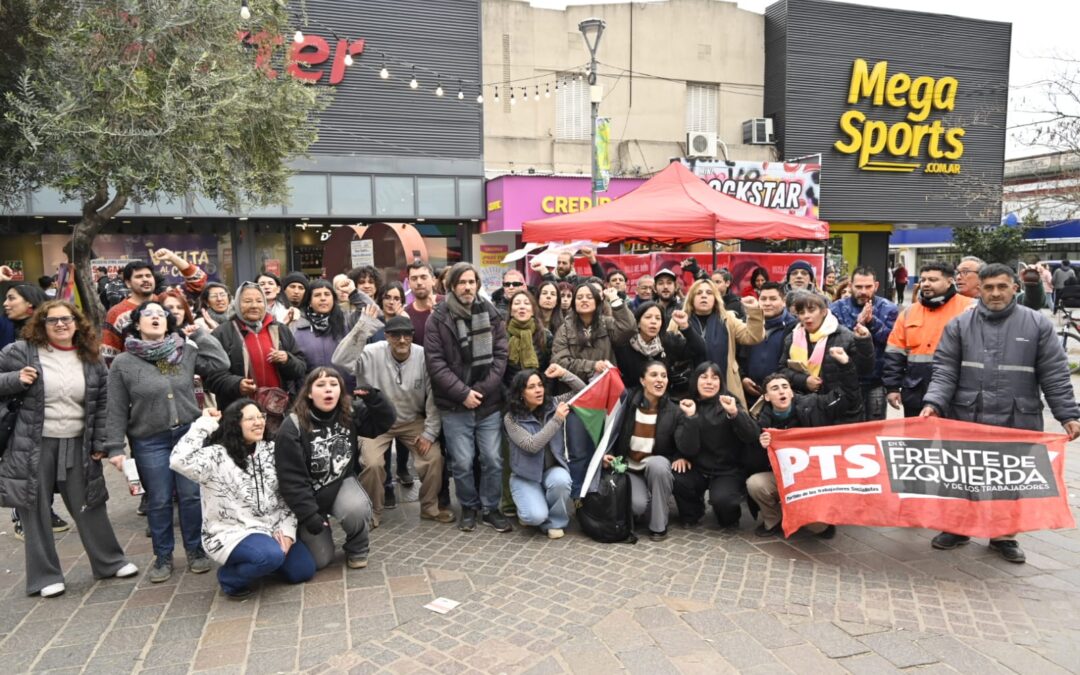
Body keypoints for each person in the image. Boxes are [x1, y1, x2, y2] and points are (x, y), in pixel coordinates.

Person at [921, 263, 1080, 563]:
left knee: (1009, 480)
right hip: (967, 417)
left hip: (1017, 418)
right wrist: (933, 403)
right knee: (963, 475)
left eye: (1002, 287)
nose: (995, 293)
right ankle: (958, 528)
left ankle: (1003, 536)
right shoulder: (959, 325)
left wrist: (1068, 415)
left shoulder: (1037, 325)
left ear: (1014, 288)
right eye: (989, 287)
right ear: (979, 289)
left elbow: (1055, 375)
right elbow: (944, 371)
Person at [0, 301, 138, 597]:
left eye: (67, 319)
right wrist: (15, 379)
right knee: (33, 509)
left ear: (78, 323)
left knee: (90, 501)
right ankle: (44, 577)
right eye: (53, 320)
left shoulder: (90, 358)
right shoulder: (19, 352)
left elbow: (103, 403)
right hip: (31, 444)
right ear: (41, 324)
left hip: (77, 441)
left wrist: (100, 441)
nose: (61, 325)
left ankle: (109, 562)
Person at [105, 298, 230, 583]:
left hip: (187, 435)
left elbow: (221, 362)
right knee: (159, 500)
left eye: (161, 314)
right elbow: (114, 407)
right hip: (149, 440)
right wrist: (114, 447)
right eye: (148, 314)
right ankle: (162, 556)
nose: (156, 317)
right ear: (137, 324)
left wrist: (198, 333)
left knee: (190, 497)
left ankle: (196, 551)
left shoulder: (184, 351)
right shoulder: (124, 363)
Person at [171, 403, 316, 599]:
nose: (258, 423)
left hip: (273, 529)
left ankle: (263, 561)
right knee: (270, 556)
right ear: (234, 424)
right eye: (250, 419)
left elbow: (288, 496)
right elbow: (178, 460)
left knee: (303, 571)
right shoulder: (216, 456)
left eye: (260, 416)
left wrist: (289, 534)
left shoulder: (272, 450)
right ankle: (230, 579)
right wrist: (204, 423)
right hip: (231, 532)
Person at [332, 315, 449, 527]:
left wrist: (430, 432)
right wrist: (362, 329)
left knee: (433, 459)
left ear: (413, 336)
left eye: (407, 335)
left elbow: (433, 395)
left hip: (412, 420)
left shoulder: (423, 356)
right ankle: (373, 512)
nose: (402, 340)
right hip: (375, 422)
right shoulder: (370, 352)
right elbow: (339, 360)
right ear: (386, 336)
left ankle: (430, 507)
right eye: (395, 335)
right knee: (372, 464)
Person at [275, 368, 395, 569]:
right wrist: (309, 515)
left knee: (357, 507)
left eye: (333, 384)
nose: (328, 390)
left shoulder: (349, 412)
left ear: (341, 391)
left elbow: (383, 423)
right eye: (321, 385)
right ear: (309, 393)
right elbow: (291, 479)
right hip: (308, 495)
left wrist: (375, 399)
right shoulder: (292, 426)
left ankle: (357, 547)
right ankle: (312, 529)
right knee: (320, 560)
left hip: (340, 483)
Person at [424, 262, 511, 533]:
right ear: (451, 286)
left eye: (472, 281)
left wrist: (481, 391)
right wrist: (463, 394)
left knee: (493, 459)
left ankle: (490, 508)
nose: (467, 287)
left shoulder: (492, 313)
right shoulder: (438, 317)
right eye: (462, 282)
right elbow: (436, 363)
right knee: (461, 463)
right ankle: (469, 507)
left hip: (488, 402)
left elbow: (500, 356)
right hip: (454, 404)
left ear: (478, 285)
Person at [749, 347, 860, 538]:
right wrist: (760, 446)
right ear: (766, 397)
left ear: (791, 393)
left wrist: (846, 365)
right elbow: (750, 464)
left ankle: (816, 519)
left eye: (785, 387)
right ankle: (774, 521)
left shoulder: (814, 404)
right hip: (783, 477)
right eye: (775, 389)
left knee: (817, 527)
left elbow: (849, 398)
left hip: (813, 479)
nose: (782, 391)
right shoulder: (760, 421)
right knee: (755, 484)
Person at [553, 284, 635, 493]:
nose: (584, 300)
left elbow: (628, 329)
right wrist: (592, 366)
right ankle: (578, 495)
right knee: (578, 450)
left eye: (589, 296)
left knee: (603, 448)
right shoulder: (565, 328)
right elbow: (560, 361)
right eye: (579, 297)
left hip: (605, 398)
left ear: (597, 301)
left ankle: (599, 495)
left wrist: (616, 301)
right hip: (577, 399)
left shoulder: (607, 324)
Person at [3, 284, 69, 539]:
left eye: (11, 298)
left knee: (43, 469)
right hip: (16, 414)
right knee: (23, 467)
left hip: (47, 412)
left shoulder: (48, 330)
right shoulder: (7, 329)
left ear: (30, 304)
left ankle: (44, 512)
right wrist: (15, 378)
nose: (6, 304)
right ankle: (22, 519)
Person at [602, 360, 685, 540]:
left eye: (663, 376)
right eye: (653, 375)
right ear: (642, 380)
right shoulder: (628, 403)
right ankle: (649, 501)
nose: (660, 380)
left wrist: (680, 455)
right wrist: (610, 455)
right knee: (637, 507)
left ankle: (659, 526)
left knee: (658, 465)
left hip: (656, 466)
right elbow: (612, 431)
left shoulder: (674, 410)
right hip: (630, 467)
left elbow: (683, 443)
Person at [671, 362, 760, 527]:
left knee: (724, 504)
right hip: (697, 466)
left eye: (714, 378)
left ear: (721, 382)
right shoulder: (687, 404)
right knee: (678, 476)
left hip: (727, 469)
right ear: (695, 381)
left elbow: (752, 435)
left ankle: (728, 515)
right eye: (704, 377)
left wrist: (734, 413)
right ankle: (693, 512)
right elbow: (688, 447)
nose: (709, 382)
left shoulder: (730, 401)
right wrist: (690, 418)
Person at [503, 364, 585, 539]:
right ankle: (530, 508)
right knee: (534, 516)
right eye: (531, 387)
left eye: (540, 385)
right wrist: (556, 420)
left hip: (551, 471)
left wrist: (564, 373)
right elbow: (531, 445)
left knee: (561, 480)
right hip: (525, 476)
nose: (538, 390)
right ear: (520, 393)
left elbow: (583, 391)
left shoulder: (553, 403)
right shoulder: (511, 418)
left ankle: (555, 523)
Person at [883, 261, 973, 418]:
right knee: (916, 441)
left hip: (957, 393)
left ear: (949, 281)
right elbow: (894, 352)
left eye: (933, 280)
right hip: (916, 393)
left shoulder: (969, 308)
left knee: (953, 441)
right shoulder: (909, 312)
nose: (926, 284)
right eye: (923, 280)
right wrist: (892, 388)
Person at [206, 281, 308, 414]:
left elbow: (301, 367)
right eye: (247, 301)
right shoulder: (222, 333)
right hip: (238, 412)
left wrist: (287, 360)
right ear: (237, 304)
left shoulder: (280, 329)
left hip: (278, 410)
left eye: (259, 301)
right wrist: (237, 385)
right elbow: (211, 378)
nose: (254, 306)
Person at [779, 292, 874, 424]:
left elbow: (864, 369)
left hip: (840, 410)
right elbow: (782, 370)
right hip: (806, 409)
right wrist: (804, 380)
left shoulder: (844, 336)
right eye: (801, 312)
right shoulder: (792, 338)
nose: (806, 316)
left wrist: (864, 341)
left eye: (811, 310)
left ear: (824, 312)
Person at [103, 252, 207, 363]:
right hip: (136, 375)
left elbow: (198, 281)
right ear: (128, 283)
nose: (145, 279)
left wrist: (172, 258)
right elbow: (109, 354)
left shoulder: (166, 302)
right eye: (139, 276)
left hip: (172, 370)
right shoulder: (116, 313)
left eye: (148, 276)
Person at [675, 278, 764, 408]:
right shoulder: (678, 320)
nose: (704, 296)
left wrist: (754, 311)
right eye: (699, 293)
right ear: (691, 298)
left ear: (716, 298)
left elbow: (753, 337)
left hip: (726, 386)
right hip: (688, 390)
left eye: (709, 293)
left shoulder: (728, 319)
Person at [829, 267, 898, 421]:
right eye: (859, 287)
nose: (863, 291)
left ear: (876, 286)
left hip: (876, 380)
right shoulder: (836, 308)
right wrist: (858, 324)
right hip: (845, 379)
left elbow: (892, 340)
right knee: (846, 426)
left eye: (868, 287)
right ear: (850, 285)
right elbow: (834, 341)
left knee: (874, 427)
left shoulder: (889, 308)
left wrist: (872, 322)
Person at [290, 280, 357, 388]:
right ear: (309, 301)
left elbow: (372, 314)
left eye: (327, 294)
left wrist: (353, 293)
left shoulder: (347, 322)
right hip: (308, 393)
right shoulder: (297, 326)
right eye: (317, 295)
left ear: (334, 299)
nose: (323, 298)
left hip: (344, 391)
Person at [738, 282, 797, 400]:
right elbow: (735, 356)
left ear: (784, 301)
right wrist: (742, 378)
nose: (767, 303)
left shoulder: (795, 328)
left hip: (782, 396)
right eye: (763, 299)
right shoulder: (745, 324)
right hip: (749, 393)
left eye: (773, 299)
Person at [614, 301, 687, 391]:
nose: (653, 322)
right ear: (638, 323)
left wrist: (685, 327)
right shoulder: (623, 345)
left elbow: (699, 350)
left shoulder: (668, 341)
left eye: (658, 318)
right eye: (648, 317)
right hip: (630, 399)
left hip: (662, 399)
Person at [404, 261, 439, 346]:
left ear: (433, 280)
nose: (419, 282)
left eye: (423, 277)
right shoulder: (405, 314)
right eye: (414, 278)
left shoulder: (447, 304)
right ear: (408, 284)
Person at [533, 247, 603, 284]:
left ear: (572, 265)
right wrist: (543, 271)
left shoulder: (579, 281)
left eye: (564, 263)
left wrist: (592, 259)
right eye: (559, 262)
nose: (560, 266)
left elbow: (599, 280)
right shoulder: (548, 279)